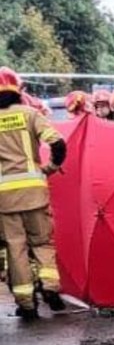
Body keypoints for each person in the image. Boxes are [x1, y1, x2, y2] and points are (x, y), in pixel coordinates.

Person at [0, 67, 67, 320]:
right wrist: (50, 167)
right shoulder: (30, 114)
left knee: (15, 248)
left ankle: (26, 303)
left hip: (4, 199)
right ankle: (50, 287)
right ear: (18, 89)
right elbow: (58, 143)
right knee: (42, 242)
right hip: (34, 193)